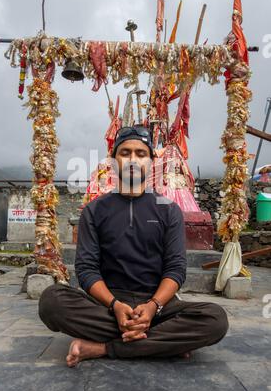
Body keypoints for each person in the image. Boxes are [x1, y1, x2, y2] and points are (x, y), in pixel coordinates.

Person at [39, 125, 228, 367]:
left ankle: (101, 347)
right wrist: (116, 306)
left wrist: (152, 307)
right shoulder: (94, 211)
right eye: (125, 152)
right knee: (51, 301)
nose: (132, 159)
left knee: (215, 319)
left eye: (141, 154)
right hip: (108, 305)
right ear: (113, 160)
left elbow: (176, 269)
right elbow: (86, 270)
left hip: (158, 308)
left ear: (151, 162)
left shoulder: (168, 210)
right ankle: (162, 344)